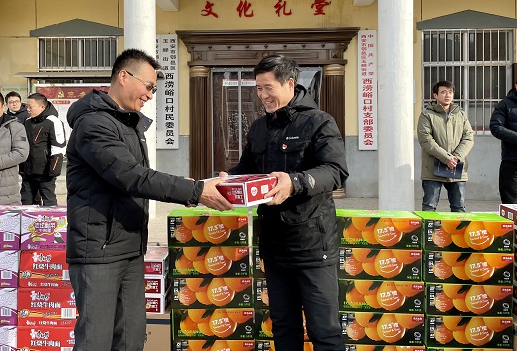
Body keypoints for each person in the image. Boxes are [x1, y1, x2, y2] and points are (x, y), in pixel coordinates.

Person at [65, 48, 232, 351]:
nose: (151, 95)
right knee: (96, 340)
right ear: (124, 76)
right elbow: (129, 176)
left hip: (128, 245)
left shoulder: (127, 124)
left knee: (131, 337)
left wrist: (193, 184)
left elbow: (141, 175)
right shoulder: (94, 125)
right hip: (98, 250)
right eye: (149, 87)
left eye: (154, 89)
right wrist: (195, 193)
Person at [221, 55, 349, 351]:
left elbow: (335, 171)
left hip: (313, 245)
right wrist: (227, 179)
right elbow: (247, 169)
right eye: (258, 89)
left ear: (289, 84)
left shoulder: (319, 122)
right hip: (274, 246)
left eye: (268, 87)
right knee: (283, 326)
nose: (263, 95)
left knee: (324, 330)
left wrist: (295, 182)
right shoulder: (259, 128)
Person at [417, 80, 474, 212]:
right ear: (435, 95)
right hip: (432, 168)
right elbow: (426, 140)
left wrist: (456, 158)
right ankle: (428, 233)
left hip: (456, 167)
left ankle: (457, 233)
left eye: (450, 92)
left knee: (458, 208)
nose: (447, 95)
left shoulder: (461, 115)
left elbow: (469, 137)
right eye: (443, 92)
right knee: (429, 207)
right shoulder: (427, 115)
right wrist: (446, 158)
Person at [20, 93, 66, 206]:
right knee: (26, 200)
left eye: (31, 106)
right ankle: (28, 223)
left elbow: (59, 147)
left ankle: (51, 222)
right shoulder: (28, 121)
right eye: (27, 106)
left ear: (42, 107)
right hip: (28, 170)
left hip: (46, 171)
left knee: (48, 200)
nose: (28, 109)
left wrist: (53, 170)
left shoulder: (53, 121)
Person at [490, 72, 517, 204]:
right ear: (515, 86)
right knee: (512, 205)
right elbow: (495, 127)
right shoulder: (505, 104)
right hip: (512, 163)